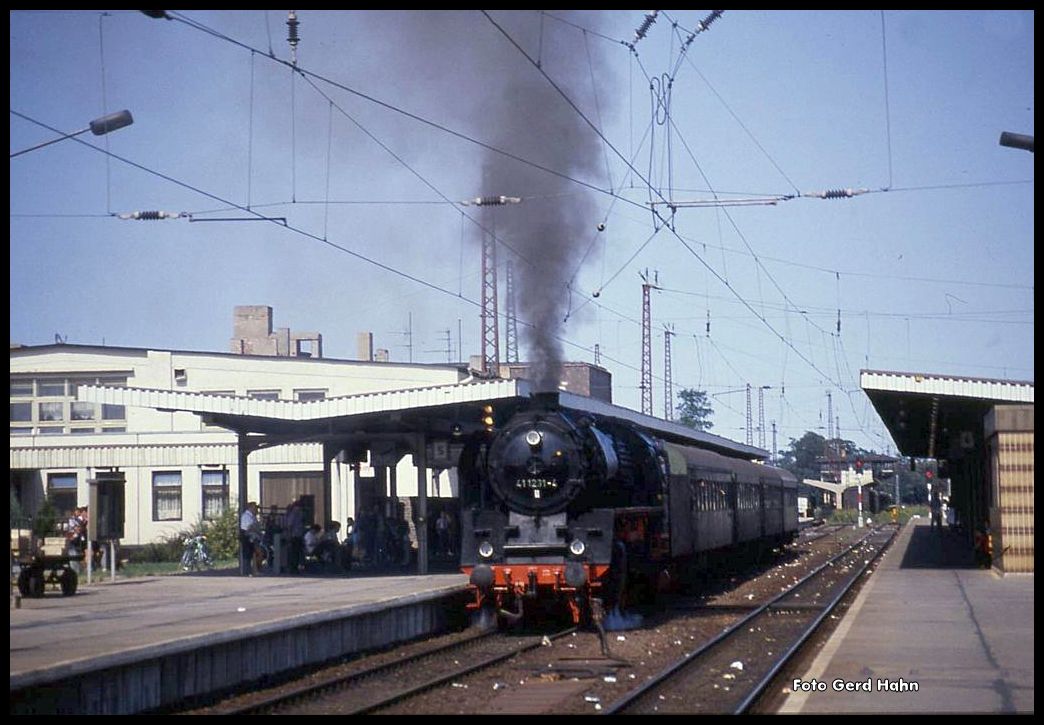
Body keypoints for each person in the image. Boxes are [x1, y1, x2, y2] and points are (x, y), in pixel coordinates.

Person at [239, 501, 261, 575]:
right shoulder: (246, 516)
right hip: (248, 537)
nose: (257, 510)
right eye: (255, 508)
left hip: (253, 537)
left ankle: (254, 570)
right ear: (251, 508)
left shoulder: (252, 516)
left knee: (254, 554)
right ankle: (246, 571)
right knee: (247, 555)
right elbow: (249, 527)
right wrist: (255, 529)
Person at [285, 497, 306, 573]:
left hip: (297, 535)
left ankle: (295, 567)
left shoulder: (297, 513)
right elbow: (290, 525)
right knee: (294, 553)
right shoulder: (295, 513)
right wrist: (289, 535)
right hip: (295, 535)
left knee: (296, 553)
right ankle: (293, 568)